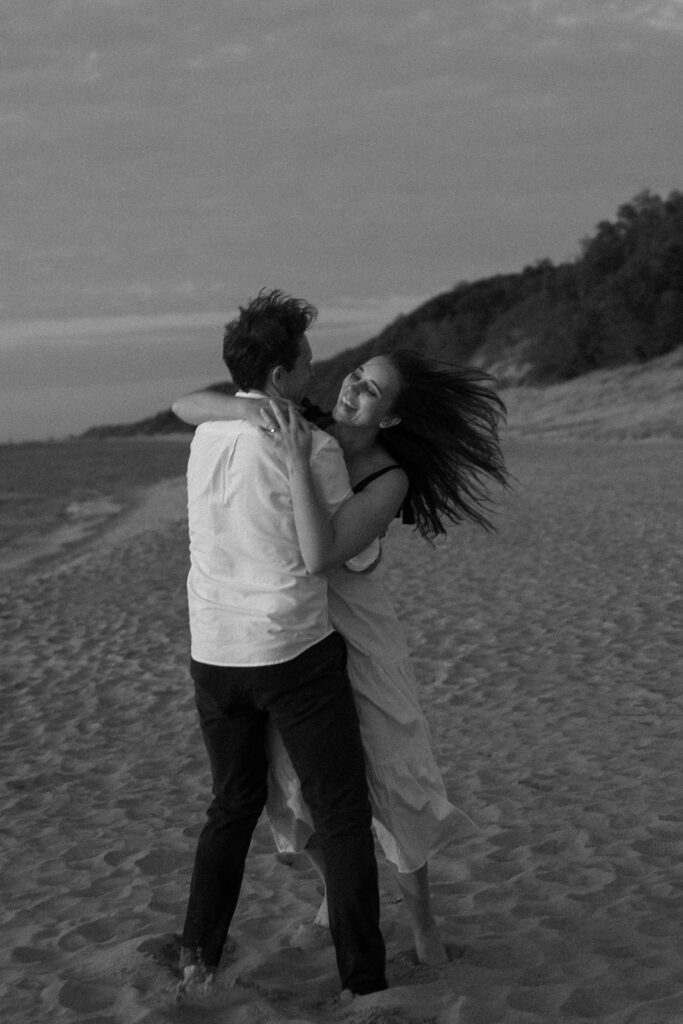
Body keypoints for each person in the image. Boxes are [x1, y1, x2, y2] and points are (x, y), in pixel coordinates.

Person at [173, 344, 508, 966]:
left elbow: (323, 556)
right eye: (356, 375)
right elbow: (185, 404)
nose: (352, 388)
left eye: (372, 390)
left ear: (391, 419)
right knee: (288, 786)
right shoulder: (306, 420)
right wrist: (253, 415)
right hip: (293, 641)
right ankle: (335, 894)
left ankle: (424, 925)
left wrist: (295, 457)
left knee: (392, 779)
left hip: (358, 641)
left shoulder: (388, 478)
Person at [179, 289, 387, 999]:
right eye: (304, 363)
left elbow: (192, 403)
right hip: (290, 652)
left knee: (230, 805)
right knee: (340, 811)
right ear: (278, 378)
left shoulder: (207, 434)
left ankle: (196, 958)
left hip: (213, 652)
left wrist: (234, 408)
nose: (314, 373)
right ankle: (363, 981)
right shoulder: (318, 448)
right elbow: (318, 555)